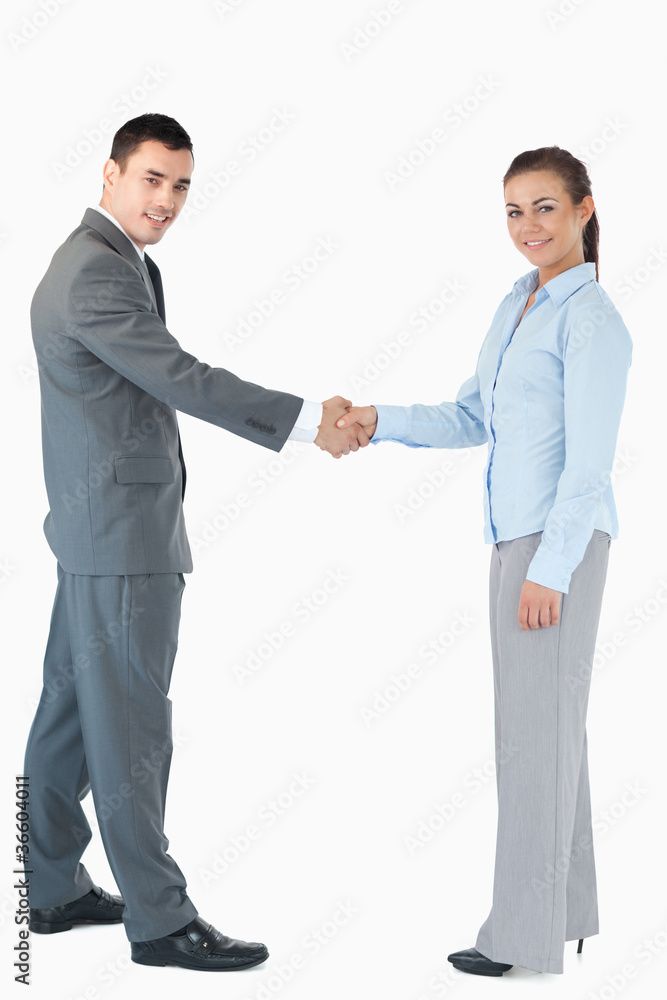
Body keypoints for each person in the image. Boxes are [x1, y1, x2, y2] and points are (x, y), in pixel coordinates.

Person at [23, 112, 368, 973]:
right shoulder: (95, 274)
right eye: (151, 179)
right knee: (131, 728)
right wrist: (301, 424)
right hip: (124, 540)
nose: (167, 200)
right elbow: (179, 376)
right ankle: (160, 920)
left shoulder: (106, 262)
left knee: (67, 716)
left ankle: (51, 885)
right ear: (109, 175)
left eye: (180, 185)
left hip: (95, 533)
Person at [337, 146, 632, 976]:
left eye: (543, 207)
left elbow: (591, 462)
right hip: (515, 539)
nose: (526, 226)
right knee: (546, 733)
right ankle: (563, 913)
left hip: (554, 543)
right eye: (512, 211)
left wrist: (552, 567)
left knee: (531, 741)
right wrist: (377, 418)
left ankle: (520, 938)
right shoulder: (517, 304)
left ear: (582, 209)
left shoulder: (591, 318)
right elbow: (472, 415)